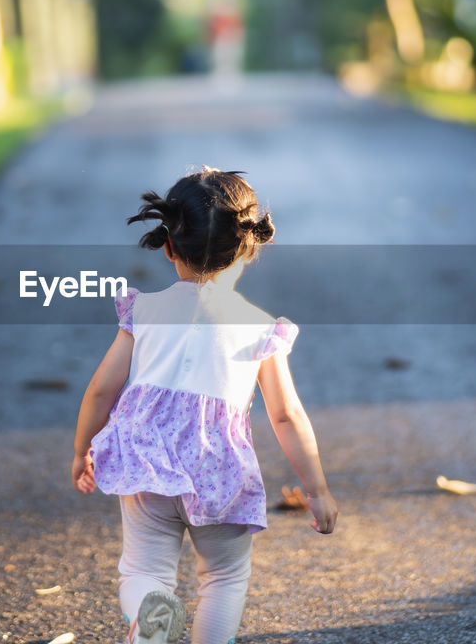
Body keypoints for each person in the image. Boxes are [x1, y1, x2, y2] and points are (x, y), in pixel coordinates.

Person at [71, 168, 338, 644]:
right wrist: (315, 489)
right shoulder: (259, 328)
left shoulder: (144, 311)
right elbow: (285, 414)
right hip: (218, 467)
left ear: (170, 245)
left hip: (146, 456)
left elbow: (101, 390)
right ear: (249, 249)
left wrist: (81, 450)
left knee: (143, 567)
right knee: (224, 578)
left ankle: (151, 619)